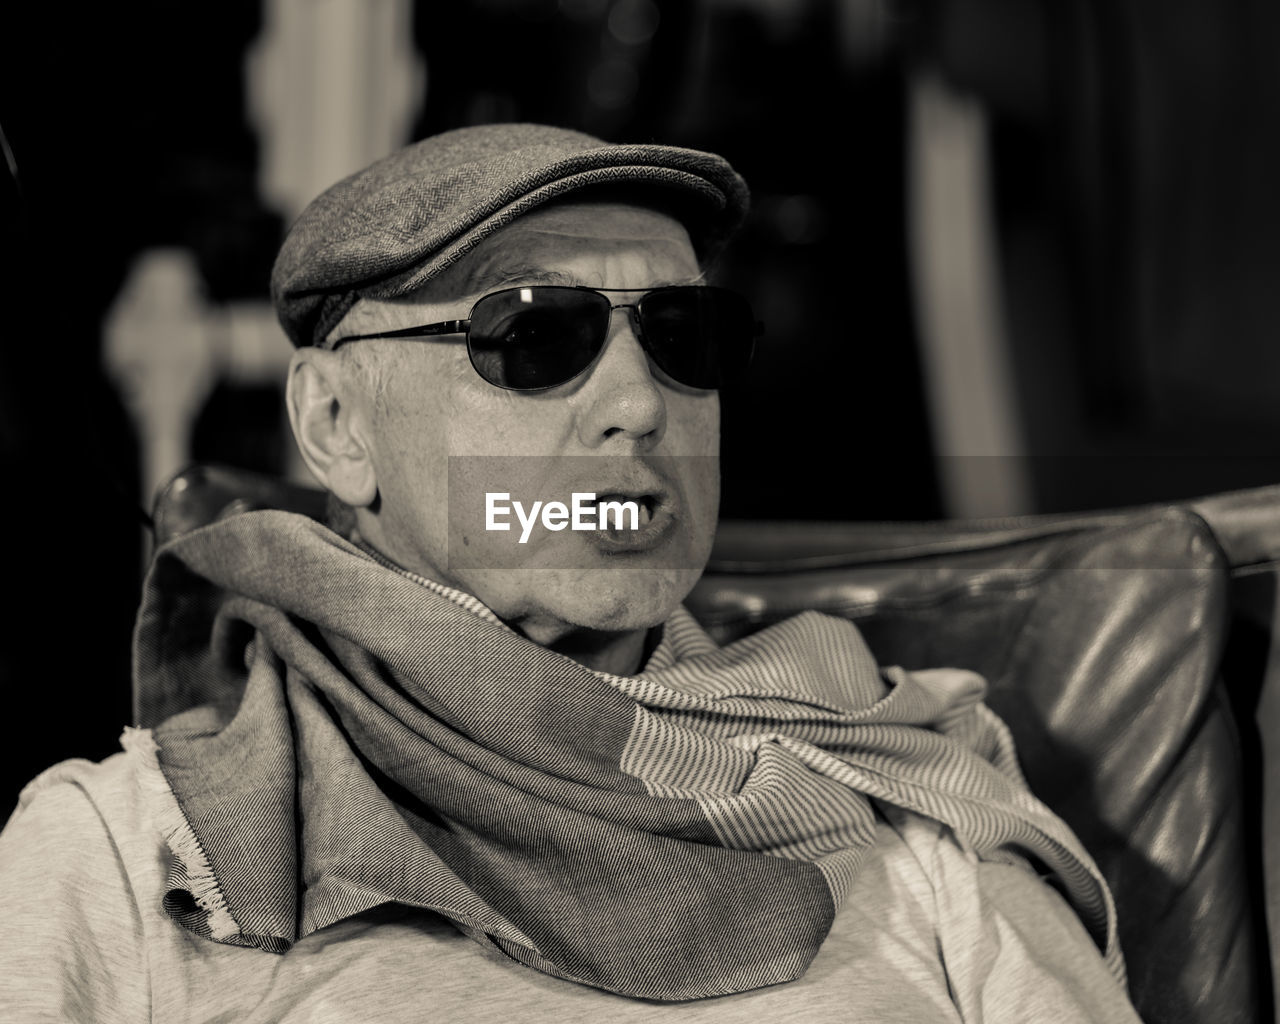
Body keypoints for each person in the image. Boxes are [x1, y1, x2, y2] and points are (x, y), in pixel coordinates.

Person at [0, 124, 1141, 1022]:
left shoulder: (915, 818)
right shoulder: (127, 857)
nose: (642, 406)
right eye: (535, 336)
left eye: (684, 336)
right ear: (336, 422)